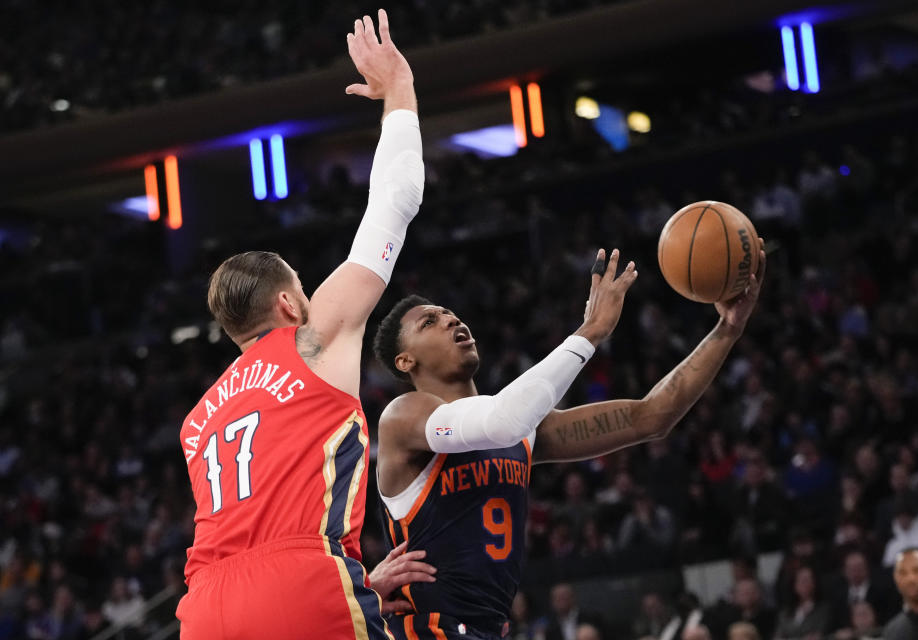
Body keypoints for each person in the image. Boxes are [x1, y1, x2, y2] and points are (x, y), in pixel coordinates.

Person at [175, 11, 433, 640]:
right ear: (290, 305)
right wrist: (398, 89)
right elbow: (395, 201)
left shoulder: (198, 421)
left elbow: (254, 539)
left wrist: (362, 585)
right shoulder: (312, 340)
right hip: (298, 584)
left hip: (204, 609)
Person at [373, 244, 766, 639]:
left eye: (449, 314)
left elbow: (653, 416)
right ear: (406, 361)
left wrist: (727, 329)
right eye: (429, 322)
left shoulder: (522, 428)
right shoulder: (403, 418)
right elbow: (501, 421)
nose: (449, 320)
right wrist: (590, 331)